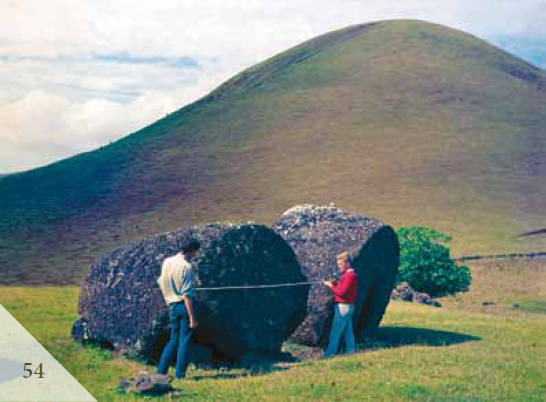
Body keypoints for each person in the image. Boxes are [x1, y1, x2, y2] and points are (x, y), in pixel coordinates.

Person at [156, 238, 200, 379]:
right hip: (183, 305)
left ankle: (161, 371)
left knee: (173, 340)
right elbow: (187, 295)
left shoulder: (167, 261)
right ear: (192, 250)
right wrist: (193, 318)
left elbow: (161, 281)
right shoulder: (186, 267)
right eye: (196, 251)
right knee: (184, 340)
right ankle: (180, 374)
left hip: (172, 306)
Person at [323, 251, 359, 358]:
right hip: (347, 307)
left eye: (340, 264)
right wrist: (336, 283)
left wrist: (330, 286)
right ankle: (351, 352)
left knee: (335, 332)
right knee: (348, 332)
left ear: (347, 263)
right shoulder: (348, 275)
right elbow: (343, 288)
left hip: (344, 307)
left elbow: (341, 292)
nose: (339, 267)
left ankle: (329, 354)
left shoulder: (350, 276)